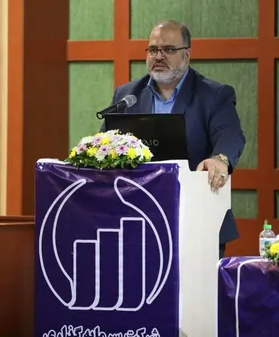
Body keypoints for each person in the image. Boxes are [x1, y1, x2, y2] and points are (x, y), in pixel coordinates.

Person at [101, 20, 246, 259]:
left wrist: (220, 159)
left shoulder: (213, 95)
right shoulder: (127, 95)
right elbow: (106, 144)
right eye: (153, 49)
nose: (159, 56)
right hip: (136, 218)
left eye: (168, 49)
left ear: (187, 54)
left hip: (196, 219)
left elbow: (230, 134)